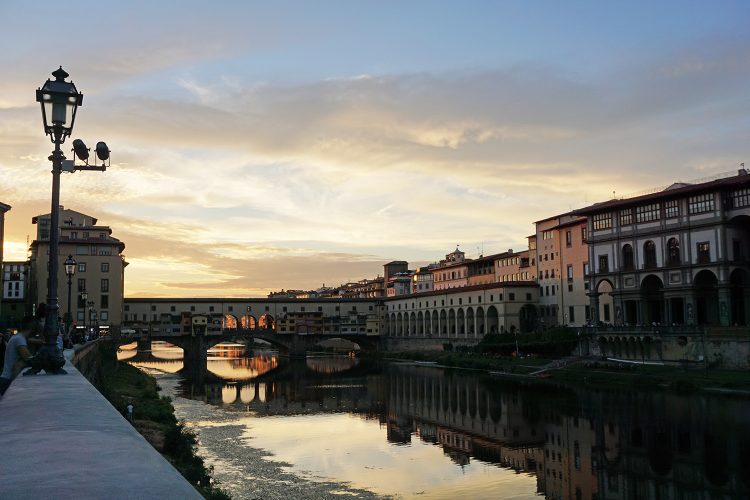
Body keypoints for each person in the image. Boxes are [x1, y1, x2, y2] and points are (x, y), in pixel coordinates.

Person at [0, 328, 35, 397]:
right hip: (8, 379)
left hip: (6, 378)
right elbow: (28, 358)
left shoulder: (16, 338)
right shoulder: (19, 339)